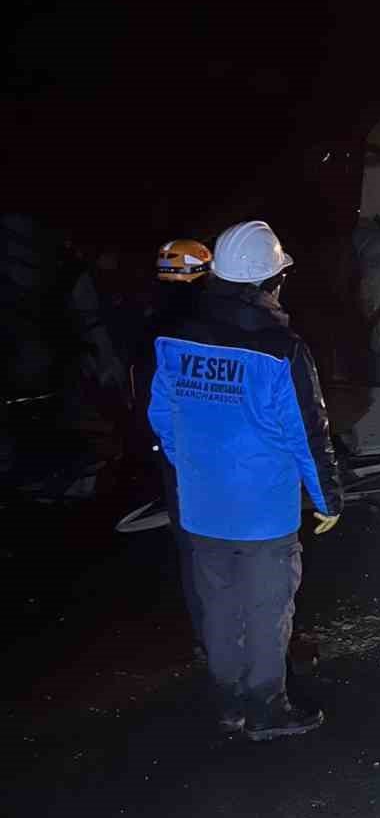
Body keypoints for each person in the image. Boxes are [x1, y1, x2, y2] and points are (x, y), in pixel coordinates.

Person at [148, 219, 342, 740]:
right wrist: (328, 498)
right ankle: (266, 706)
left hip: (202, 506)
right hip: (263, 511)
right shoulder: (281, 349)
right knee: (265, 609)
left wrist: (195, 467)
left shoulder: (174, 338)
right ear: (269, 282)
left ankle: (229, 702)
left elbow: (163, 417)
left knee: (218, 604)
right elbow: (308, 432)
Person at [135, 238, 213, 640]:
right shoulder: (207, 321)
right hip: (212, 450)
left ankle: (209, 636)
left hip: (173, 452)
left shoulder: (152, 325)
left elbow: (146, 399)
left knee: (192, 545)